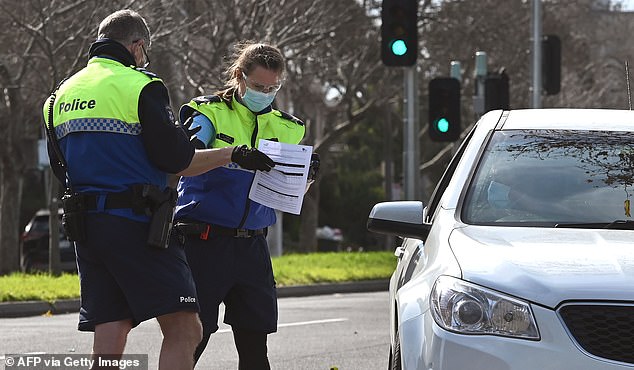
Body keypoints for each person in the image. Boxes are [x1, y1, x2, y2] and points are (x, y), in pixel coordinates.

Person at [42, 11, 273, 370]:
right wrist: (232, 153)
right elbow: (178, 159)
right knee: (185, 327)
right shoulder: (142, 86)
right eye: (144, 51)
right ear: (137, 46)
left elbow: (60, 167)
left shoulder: (59, 96)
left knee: (111, 326)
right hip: (136, 223)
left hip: (85, 227)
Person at [173, 41, 315, 369]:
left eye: (272, 87)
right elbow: (183, 161)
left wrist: (307, 178)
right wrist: (232, 154)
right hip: (204, 242)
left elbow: (288, 192)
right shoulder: (208, 112)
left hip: (252, 245)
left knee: (255, 347)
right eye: (257, 86)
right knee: (195, 337)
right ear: (239, 76)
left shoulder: (289, 128)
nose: (265, 92)